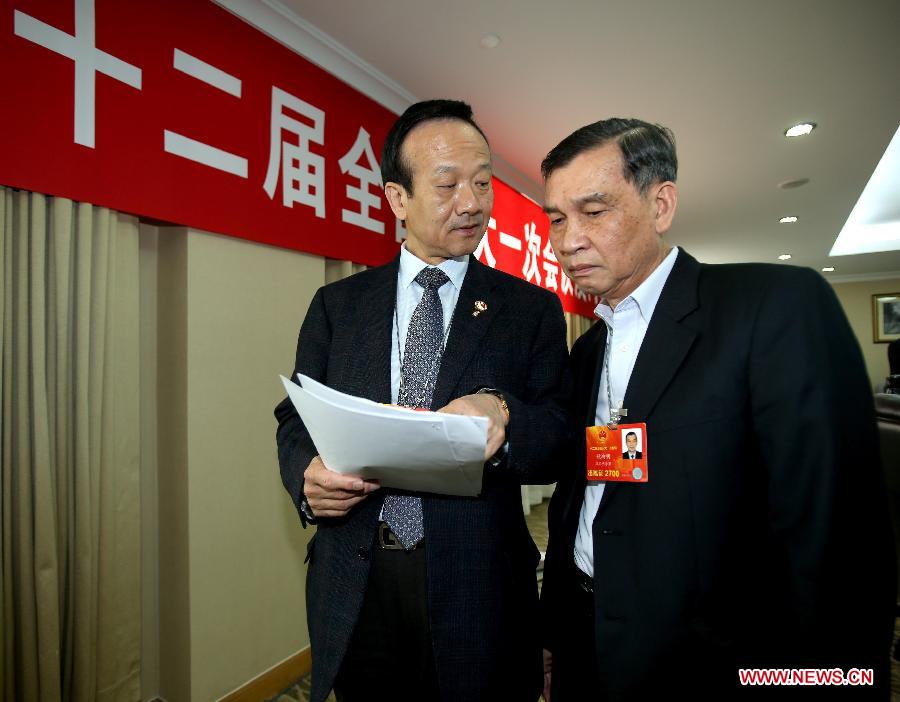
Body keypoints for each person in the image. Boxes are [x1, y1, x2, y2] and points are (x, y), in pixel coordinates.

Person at [539, 118, 895, 700]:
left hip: (715, 665)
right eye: (556, 217)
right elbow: (583, 499)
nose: (567, 238)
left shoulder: (773, 309)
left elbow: (838, 544)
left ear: (661, 204)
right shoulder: (589, 349)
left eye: (594, 211)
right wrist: (557, 633)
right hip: (588, 645)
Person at [274, 99, 569, 702]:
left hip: (479, 583)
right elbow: (294, 415)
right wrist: (305, 475)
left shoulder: (529, 310)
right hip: (358, 581)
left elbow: (562, 435)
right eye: (447, 184)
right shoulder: (339, 306)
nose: (473, 202)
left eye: (482, 182)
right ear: (397, 199)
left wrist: (505, 416)